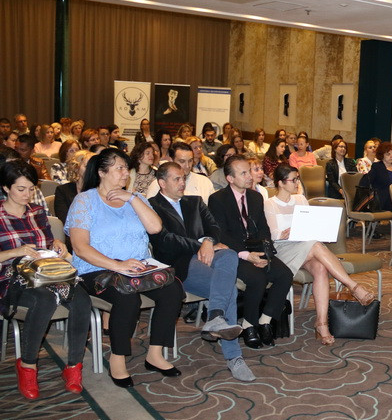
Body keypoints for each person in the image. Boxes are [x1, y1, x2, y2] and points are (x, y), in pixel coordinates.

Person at [65, 148, 185, 388]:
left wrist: (131, 198)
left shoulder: (135, 198)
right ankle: (118, 358)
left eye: (126, 169)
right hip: (96, 269)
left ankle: (155, 354)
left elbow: (155, 228)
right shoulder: (85, 201)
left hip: (136, 267)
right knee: (127, 298)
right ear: (102, 172)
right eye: (119, 168)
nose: (125, 174)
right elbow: (80, 248)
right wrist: (117, 265)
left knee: (173, 290)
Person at [148, 162, 253, 381]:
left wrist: (208, 241)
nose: (182, 183)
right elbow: (165, 240)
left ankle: (214, 317)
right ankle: (234, 356)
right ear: (162, 183)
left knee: (229, 255)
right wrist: (201, 245)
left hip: (208, 254)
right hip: (179, 264)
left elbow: (214, 228)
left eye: (183, 178)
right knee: (230, 291)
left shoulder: (194, 202)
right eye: (176, 179)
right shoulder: (152, 206)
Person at [0, 161, 92, 399]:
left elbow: (48, 243)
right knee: (44, 300)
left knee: (82, 299)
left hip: (45, 273)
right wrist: (15, 252)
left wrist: (57, 244)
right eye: (21, 189)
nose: (27, 194)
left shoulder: (37, 212)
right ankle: (27, 365)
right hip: (12, 277)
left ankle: (73, 367)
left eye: (31, 189)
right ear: (6, 188)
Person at [265, 164, 375, 345]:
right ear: (280, 183)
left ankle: (321, 323)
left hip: (305, 245)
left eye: (297, 179)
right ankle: (353, 286)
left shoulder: (300, 199)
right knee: (315, 245)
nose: (297, 183)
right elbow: (271, 234)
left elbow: (310, 223)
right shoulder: (269, 203)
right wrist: (287, 231)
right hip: (283, 251)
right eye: (293, 180)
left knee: (320, 268)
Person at [208, 155, 293, 349]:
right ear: (230, 178)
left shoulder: (255, 197)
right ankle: (249, 324)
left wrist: (263, 252)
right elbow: (221, 234)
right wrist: (247, 255)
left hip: (256, 249)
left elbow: (263, 228)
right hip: (232, 253)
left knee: (285, 275)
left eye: (249, 171)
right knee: (257, 278)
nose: (249, 176)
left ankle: (265, 321)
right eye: (243, 173)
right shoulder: (217, 199)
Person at [146, 142, 214, 203]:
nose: (187, 166)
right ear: (171, 160)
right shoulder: (159, 185)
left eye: (190, 161)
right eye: (182, 161)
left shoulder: (205, 182)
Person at [54, 150, 94, 224]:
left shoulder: (99, 190)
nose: (91, 170)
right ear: (76, 168)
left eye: (93, 167)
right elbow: (65, 220)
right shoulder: (63, 191)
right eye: (86, 167)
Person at [368, 141, 392, 215]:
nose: (391, 156)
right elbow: (366, 182)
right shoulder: (377, 167)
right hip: (384, 199)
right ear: (381, 155)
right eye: (388, 154)